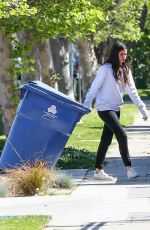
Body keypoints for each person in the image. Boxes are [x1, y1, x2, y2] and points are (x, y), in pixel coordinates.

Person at [83, 42, 148, 180]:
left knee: (106, 140)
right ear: (115, 54)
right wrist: (85, 105)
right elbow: (94, 88)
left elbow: (133, 92)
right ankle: (129, 169)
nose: (124, 57)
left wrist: (143, 109)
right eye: (121, 54)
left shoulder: (125, 70)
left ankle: (98, 171)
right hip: (104, 108)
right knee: (122, 135)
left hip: (115, 109)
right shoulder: (105, 69)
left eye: (125, 54)